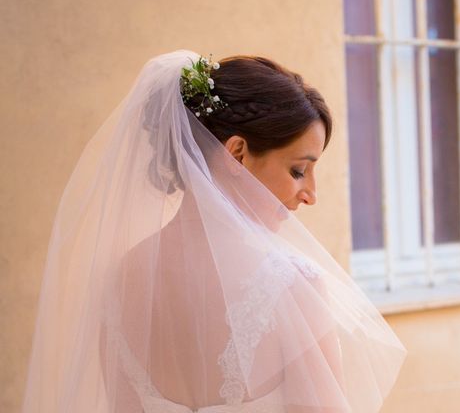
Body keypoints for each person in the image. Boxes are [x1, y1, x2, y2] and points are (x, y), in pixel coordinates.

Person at [21, 50, 407, 413]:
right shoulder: (292, 287)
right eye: (298, 170)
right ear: (237, 152)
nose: (311, 195)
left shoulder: (121, 280)